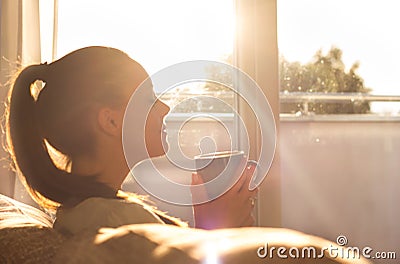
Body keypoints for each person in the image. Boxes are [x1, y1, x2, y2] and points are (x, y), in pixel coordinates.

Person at [5, 46, 257, 235]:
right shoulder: (117, 222)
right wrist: (216, 231)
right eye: (148, 99)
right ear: (111, 122)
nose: (165, 108)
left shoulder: (88, 214)